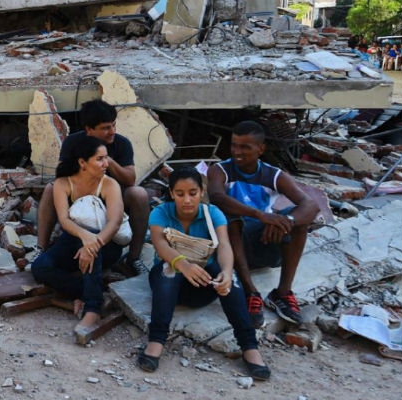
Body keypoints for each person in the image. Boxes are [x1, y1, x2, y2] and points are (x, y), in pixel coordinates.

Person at [137, 167, 270, 381]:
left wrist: (226, 273)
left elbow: (224, 246)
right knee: (168, 271)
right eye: (180, 194)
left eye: (192, 193)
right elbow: (160, 246)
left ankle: (249, 347)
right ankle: (156, 341)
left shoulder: (213, 213)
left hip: (203, 285)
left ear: (202, 191)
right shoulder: (160, 213)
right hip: (168, 285)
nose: (187, 200)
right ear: (171, 194)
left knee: (231, 279)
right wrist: (183, 265)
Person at [207, 121, 318, 328]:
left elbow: (311, 206)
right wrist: (261, 215)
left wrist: (286, 222)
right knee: (229, 219)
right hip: (229, 248)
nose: (237, 151)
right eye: (234, 145)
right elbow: (217, 197)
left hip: (264, 241)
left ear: (261, 149)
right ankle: (250, 292)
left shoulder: (273, 175)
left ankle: (282, 293)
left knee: (296, 221)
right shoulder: (219, 170)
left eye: (245, 147)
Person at [33, 99, 151, 276]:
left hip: (112, 198)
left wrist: (107, 160)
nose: (112, 131)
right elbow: (62, 176)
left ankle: (133, 258)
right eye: (105, 128)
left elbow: (130, 179)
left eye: (113, 125)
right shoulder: (73, 143)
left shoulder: (121, 143)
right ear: (89, 129)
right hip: (79, 195)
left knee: (139, 194)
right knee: (51, 188)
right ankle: (41, 248)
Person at [31, 135, 125, 332]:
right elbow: (64, 220)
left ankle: (93, 308)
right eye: (99, 159)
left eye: (106, 158)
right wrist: (86, 237)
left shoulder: (110, 184)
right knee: (40, 267)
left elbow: (115, 222)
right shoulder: (63, 184)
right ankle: (93, 290)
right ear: (82, 162)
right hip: (75, 240)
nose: (106, 163)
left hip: (106, 244)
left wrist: (93, 243)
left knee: (90, 251)